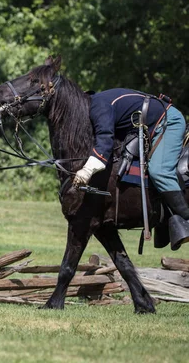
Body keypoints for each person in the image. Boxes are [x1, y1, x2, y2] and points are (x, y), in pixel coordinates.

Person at [73, 88, 189, 247]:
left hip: (169, 121)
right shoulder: (97, 103)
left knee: (159, 171)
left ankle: (186, 218)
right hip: (150, 126)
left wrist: (87, 171)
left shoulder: (98, 106)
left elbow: (105, 142)